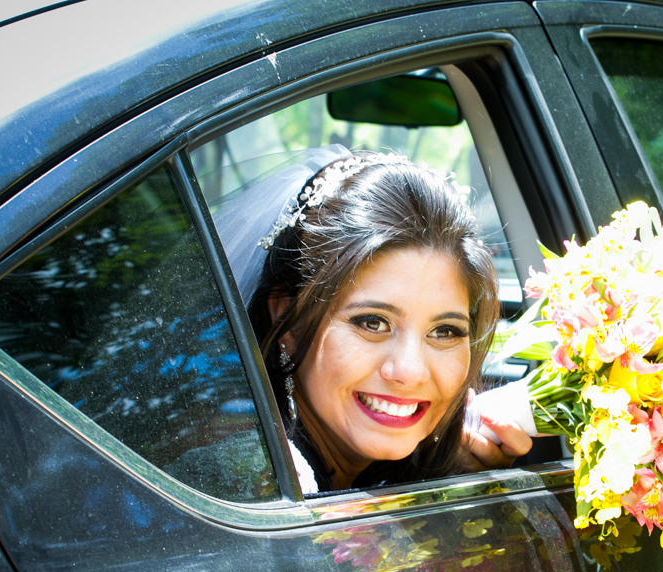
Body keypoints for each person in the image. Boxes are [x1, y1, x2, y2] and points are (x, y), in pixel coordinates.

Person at [215, 145, 532, 493]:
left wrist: (457, 493)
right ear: (287, 318)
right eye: (373, 323)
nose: (410, 371)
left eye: (444, 331)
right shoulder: (255, 488)